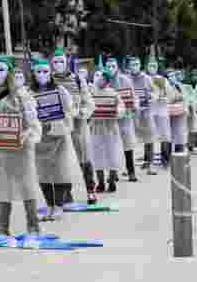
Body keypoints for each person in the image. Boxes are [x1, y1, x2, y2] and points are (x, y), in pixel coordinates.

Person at [0, 56, 43, 241]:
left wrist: (28, 135)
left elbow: (33, 122)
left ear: (9, 72)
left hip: (20, 148)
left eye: (1, 69)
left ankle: (33, 226)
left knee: (27, 184)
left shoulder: (22, 95)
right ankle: (2, 227)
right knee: (1, 185)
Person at [29, 57, 80, 220]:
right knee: (42, 173)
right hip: (39, 139)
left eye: (45, 71)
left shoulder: (60, 90)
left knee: (60, 171)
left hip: (58, 137)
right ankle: (49, 205)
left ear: (50, 73)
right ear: (33, 74)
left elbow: (71, 110)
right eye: (38, 72)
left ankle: (58, 206)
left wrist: (58, 120)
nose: (42, 74)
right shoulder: (29, 93)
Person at [53, 49, 97, 204]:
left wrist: (81, 113)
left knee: (84, 156)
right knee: (61, 159)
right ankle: (66, 192)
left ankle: (91, 189)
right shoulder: (49, 81)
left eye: (61, 61)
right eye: (55, 62)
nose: (58, 65)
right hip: (58, 126)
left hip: (78, 124)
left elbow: (89, 102)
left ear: (66, 63)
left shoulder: (78, 80)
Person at [98, 57, 141, 182]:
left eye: (113, 66)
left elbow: (133, 97)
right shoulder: (102, 81)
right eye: (108, 66)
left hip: (125, 119)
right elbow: (96, 95)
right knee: (111, 146)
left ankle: (131, 171)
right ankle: (113, 172)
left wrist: (134, 106)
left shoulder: (125, 80)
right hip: (109, 119)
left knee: (127, 145)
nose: (111, 69)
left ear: (117, 67)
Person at [90, 66, 127, 194]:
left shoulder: (113, 93)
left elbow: (122, 107)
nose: (100, 80)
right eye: (98, 76)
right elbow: (85, 107)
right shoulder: (91, 93)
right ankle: (100, 183)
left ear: (107, 80)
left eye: (103, 77)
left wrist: (118, 111)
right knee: (97, 155)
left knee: (112, 154)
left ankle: (111, 181)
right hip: (95, 128)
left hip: (111, 128)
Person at [148, 57, 173, 169]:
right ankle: (148, 160)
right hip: (150, 112)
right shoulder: (145, 79)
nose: (152, 68)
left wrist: (165, 99)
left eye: (154, 66)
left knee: (165, 136)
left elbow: (171, 95)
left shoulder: (163, 80)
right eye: (150, 65)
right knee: (149, 136)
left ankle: (165, 160)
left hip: (162, 111)